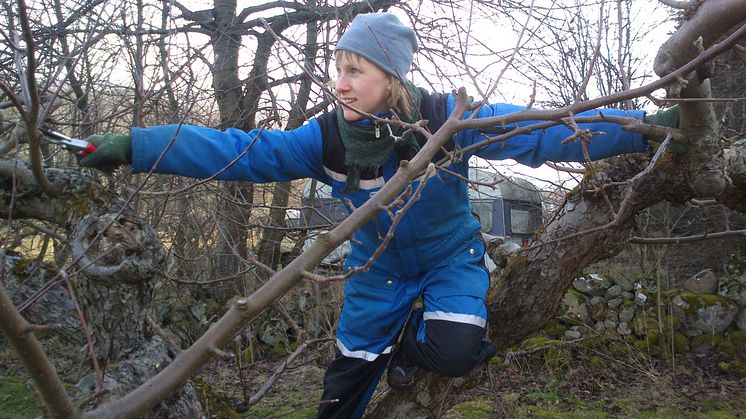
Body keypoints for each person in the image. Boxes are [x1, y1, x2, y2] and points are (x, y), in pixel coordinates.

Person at [78, 12, 675, 419]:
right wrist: (132, 146)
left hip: (449, 263)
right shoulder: (324, 141)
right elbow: (237, 151)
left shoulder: (445, 123)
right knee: (340, 399)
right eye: (338, 69)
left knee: (457, 352)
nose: (340, 83)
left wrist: (644, 129)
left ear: (391, 77)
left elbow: (540, 132)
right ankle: (378, 354)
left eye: (355, 70)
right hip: (375, 277)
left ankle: (408, 350)